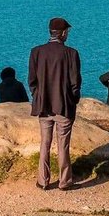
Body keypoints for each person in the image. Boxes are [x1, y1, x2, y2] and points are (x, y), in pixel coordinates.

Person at [29, 17, 81, 190]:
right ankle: (64, 181)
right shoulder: (71, 54)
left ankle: (43, 180)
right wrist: (73, 101)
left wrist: (38, 97)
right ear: (63, 33)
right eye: (67, 32)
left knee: (45, 143)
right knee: (63, 145)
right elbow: (75, 83)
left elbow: (32, 81)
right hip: (64, 106)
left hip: (43, 107)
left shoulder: (36, 52)